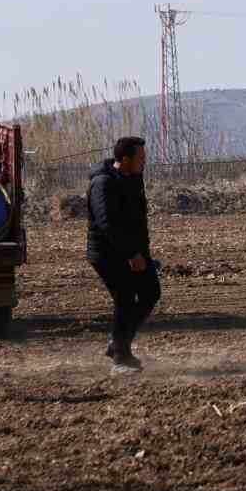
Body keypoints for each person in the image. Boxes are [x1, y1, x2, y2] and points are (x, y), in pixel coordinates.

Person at [86, 136, 160, 373]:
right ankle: (121, 358)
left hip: (134, 251)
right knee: (125, 298)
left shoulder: (134, 177)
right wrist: (131, 254)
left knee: (150, 293)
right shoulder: (103, 183)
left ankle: (118, 342)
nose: (144, 162)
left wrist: (142, 253)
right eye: (141, 158)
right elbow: (107, 224)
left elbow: (136, 220)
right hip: (107, 253)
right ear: (125, 159)